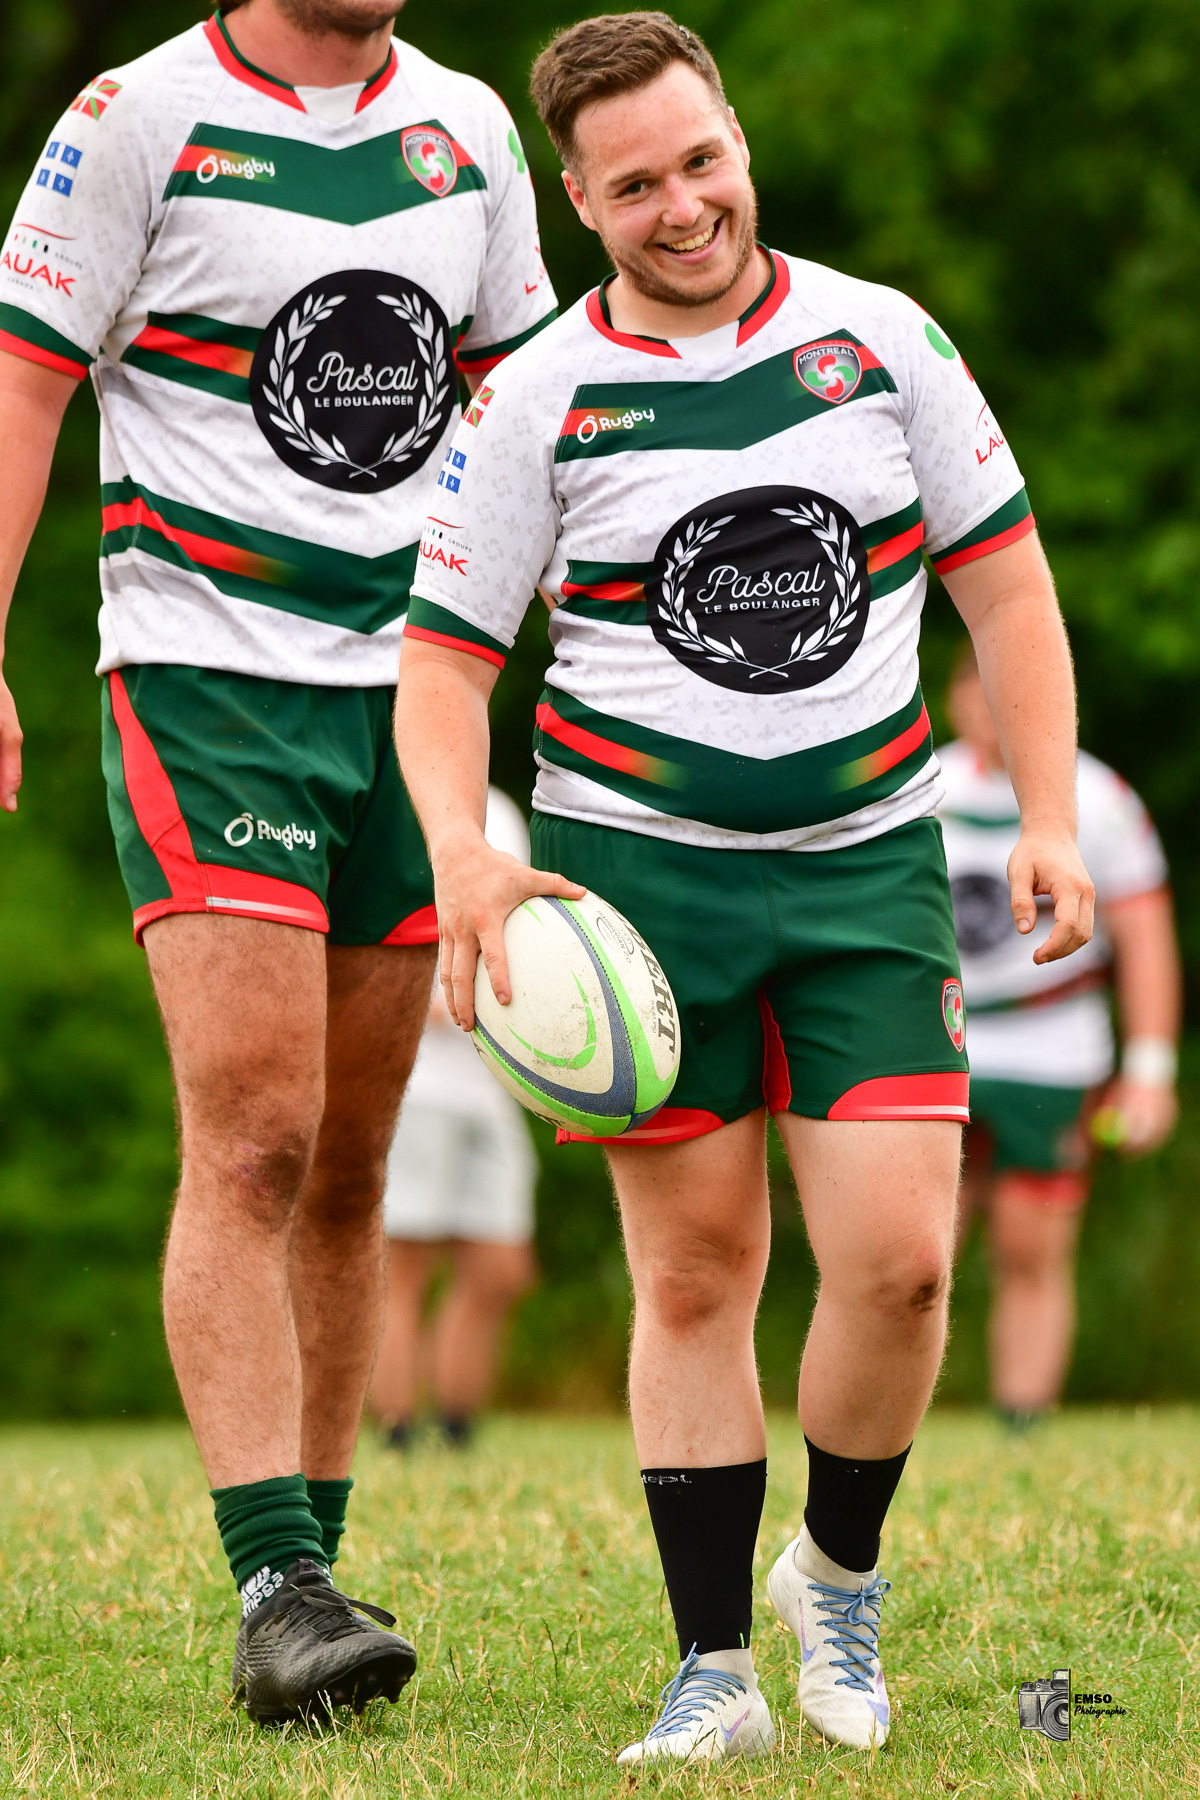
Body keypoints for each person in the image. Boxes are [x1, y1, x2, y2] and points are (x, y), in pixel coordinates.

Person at [393, 9, 1094, 1763]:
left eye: (701, 159)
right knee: (696, 1276)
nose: (682, 203)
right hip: (641, 889)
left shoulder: (884, 340)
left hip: (870, 871)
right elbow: (441, 667)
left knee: (902, 1268)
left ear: (738, 140)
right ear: (578, 200)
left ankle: (834, 1586)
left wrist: (1060, 821)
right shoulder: (537, 390)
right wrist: (470, 853)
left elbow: (1008, 593)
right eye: (635, 184)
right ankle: (712, 1675)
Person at [0, 0, 554, 1725]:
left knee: (352, 1160)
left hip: (415, 700)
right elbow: (22, 384)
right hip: (209, 678)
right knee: (256, 1130)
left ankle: (315, 1583)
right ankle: (276, 1580)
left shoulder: (467, 126)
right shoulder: (131, 117)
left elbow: (543, 429)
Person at [940, 648, 1180, 1425]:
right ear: (954, 700)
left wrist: (1149, 1070)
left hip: (1052, 1046)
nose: (994, 707)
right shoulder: (918, 788)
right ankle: (884, 1433)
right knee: (912, 1249)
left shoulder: (1099, 798)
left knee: (1030, 1245)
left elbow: (1144, 939)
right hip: (938, 1043)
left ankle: (1022, 1422)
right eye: (979, 689)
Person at [370, 786, 537, 1449]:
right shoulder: (393, 798)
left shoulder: (500, 809)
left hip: (489, 1083)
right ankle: (399, 1434)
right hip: (417, 1081)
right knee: (404, 1266)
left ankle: (457, 1425)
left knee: (501, 1269)